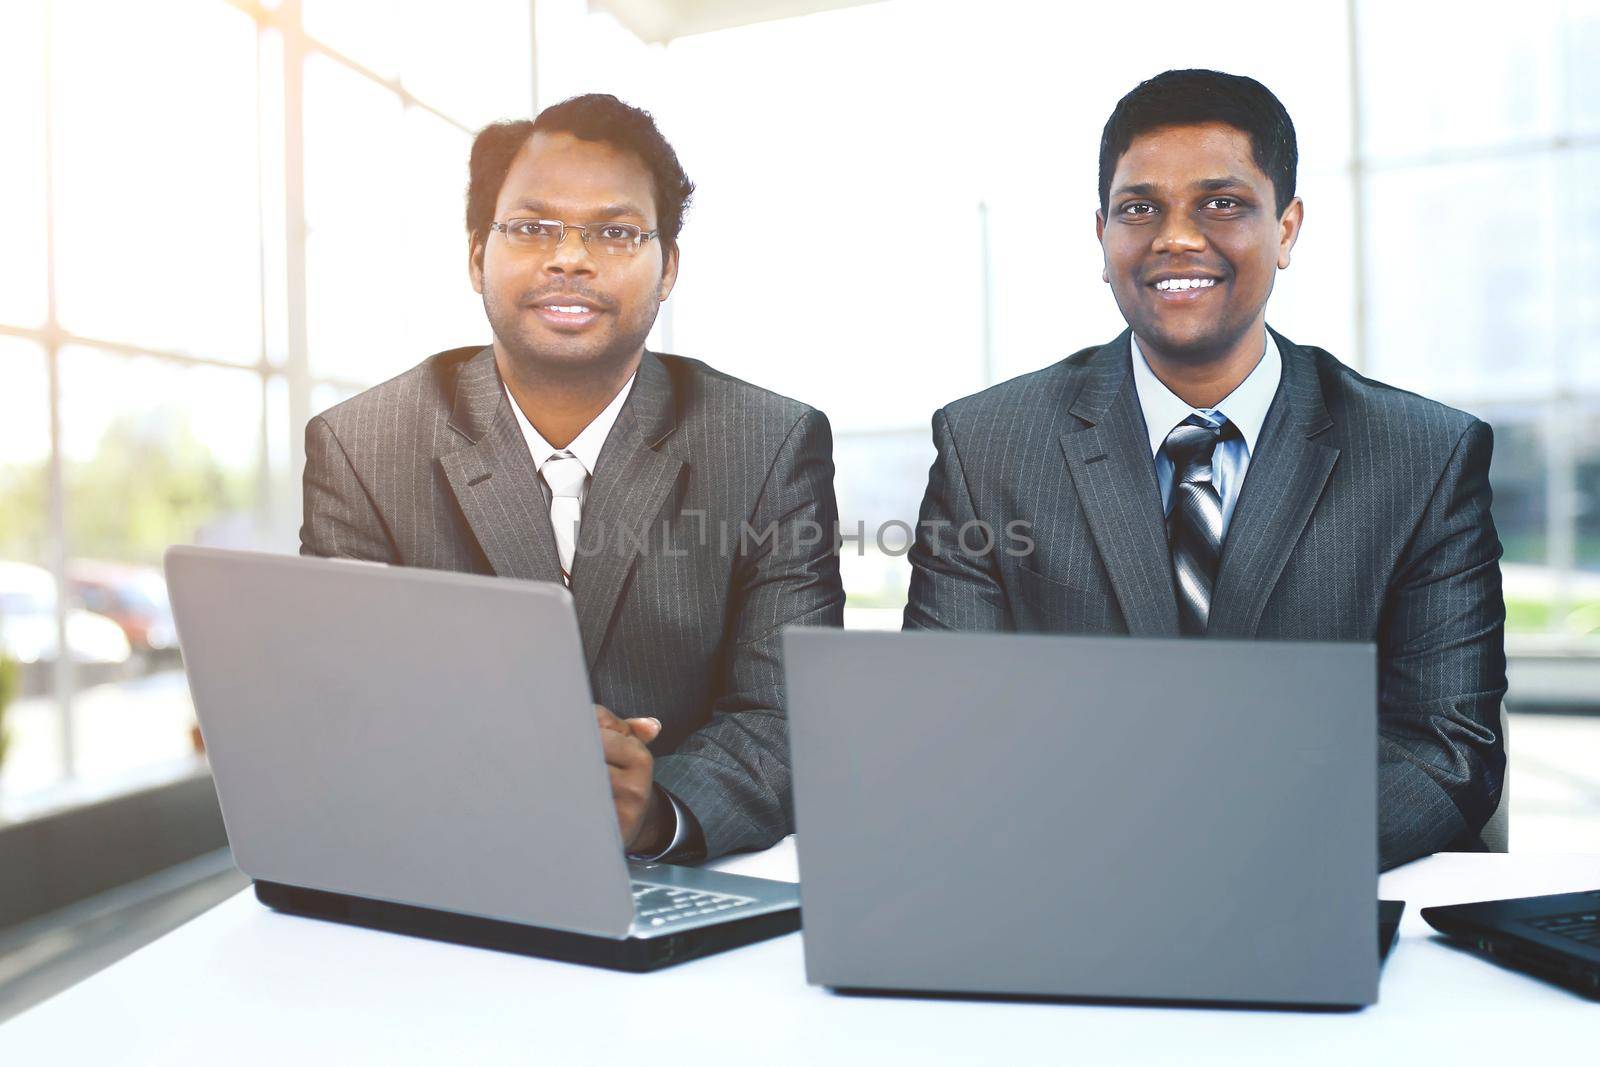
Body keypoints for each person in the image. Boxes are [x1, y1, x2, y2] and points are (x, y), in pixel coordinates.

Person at [904, 69, 1506, 870]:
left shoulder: (1423, 455)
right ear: (1102, 233)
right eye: (1140, 208)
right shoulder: (988, 445)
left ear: (1287, 229)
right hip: (1068, 882)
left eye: (1222, 204)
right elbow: (951, 723)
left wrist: (1236, 849)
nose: (1175, 238)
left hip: (1312, 885)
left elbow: (1445, 749)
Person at [300, 94, 843, 862]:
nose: (571, 258)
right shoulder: (363, 445)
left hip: (674, 882)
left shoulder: (768, 443)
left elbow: (789, 717)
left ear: (669, 269)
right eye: (531, 228)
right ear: (474, 255)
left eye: (616, 233)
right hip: (442, 859)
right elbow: (340, 705)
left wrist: (655, 810)